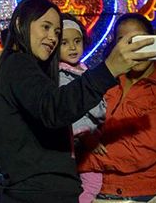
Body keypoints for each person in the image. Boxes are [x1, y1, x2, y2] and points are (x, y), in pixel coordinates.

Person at [0, 0, 156, 202]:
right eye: (46, 27)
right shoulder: (19, 64)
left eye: (57, 32)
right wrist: (108, 70)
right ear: (19, 23)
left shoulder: (24, 68)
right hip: (38, 192)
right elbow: (55, 109)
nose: (52, 37)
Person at [78, 13, 156, 202]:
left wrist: (74, 156)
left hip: (139, 196)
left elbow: (138, 152)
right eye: (125, 42)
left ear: (153, 41)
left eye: (140, 41)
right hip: (93, 191)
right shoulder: (104, 82)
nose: (135, 49)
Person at [57, 16, 104, 203]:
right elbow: (72, 111)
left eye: (77, 41)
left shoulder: (81, 70)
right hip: (78, 143)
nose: (73, 47)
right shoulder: (61, 75)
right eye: (65, 43)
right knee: (92, 183)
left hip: (85, 140)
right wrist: (86, 134)